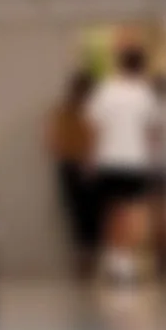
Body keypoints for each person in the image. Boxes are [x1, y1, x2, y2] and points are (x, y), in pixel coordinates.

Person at [84, 42, 166, 286]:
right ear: (142, 66)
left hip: (107, 159)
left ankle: (115, 260)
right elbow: (152, 132)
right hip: (135, 160)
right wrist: (154, 160)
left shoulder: (104, 91)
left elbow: (94, 129)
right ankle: (126, 263)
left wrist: (90, 159)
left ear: (119, 64)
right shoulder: (145, 93)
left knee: (111, 212)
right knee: (131, 213)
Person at [46, 67, 102, 282]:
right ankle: (90, 263)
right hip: (89, 165)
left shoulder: (61, 111)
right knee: (92, 216)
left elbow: (52, 141)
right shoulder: (93, 111)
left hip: (68, 166)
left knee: (77, 215)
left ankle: (83, 264)